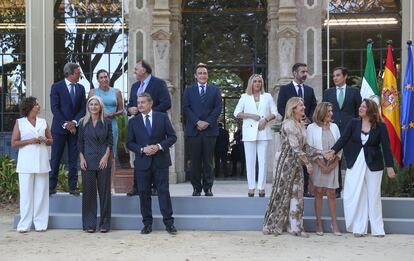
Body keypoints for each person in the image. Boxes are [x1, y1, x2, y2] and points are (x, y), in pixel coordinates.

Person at [325, 99, 396, 237]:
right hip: (355, 163)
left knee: (374, 195)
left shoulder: (380, 126)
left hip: (374, 164)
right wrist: (333, 151)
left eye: (363, 106)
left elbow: (386, 147)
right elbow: (343, 139)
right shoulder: (353, 123)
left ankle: (378, 229)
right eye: (360, 106)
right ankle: (359, 228)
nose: (360, 108)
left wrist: (390, 166)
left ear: (370, 110)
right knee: (357, 195)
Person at [126, 92, 177, 234]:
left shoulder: (162, 117)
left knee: (163, 192)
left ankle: (169, 223)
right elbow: (129, 143)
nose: (140, 105)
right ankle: (147, 224)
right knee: (144, 193)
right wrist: (142, 149)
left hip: (161, 161)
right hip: (143, 163)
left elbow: (172, 137)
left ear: (150, 103)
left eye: (143, 102)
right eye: (138, 102)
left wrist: (159, 146)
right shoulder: (133, 122)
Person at [263, 97, 313, 237]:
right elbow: (296, 148)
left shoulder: (300, 124)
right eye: (300, 106)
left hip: (296, 164)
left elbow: (305, 147)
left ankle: (295, 227)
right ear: (293, 109)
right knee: (280, 194)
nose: (303, 107)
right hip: (285, 163)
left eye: (303, 105)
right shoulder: (288, 124)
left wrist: (323, 153)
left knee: (297, 195)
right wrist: (308, 163)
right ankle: (271, 225)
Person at [127, 60, 171, 197]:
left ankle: (156, 187)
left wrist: (149, 112)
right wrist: (130, 109)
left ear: (144, 70)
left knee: (155, 156)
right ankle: (136, 187)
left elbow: (166, 103)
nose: (134, 71)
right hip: (138, 126)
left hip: (155, 126)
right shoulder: (135, 86)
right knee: (139, 156)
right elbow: (131, 104)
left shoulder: (159, 83)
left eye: (136, 69)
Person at [11, 97, 53, 232]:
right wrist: (30, 141)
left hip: (42, 161)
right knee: (26, 195)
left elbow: (51, 141)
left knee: (41, 194)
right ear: (29, 107)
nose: (39, 106)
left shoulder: (43, 122)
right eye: (36, 104)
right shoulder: (20, 123)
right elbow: (14, 143)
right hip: (25, 163)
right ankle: (24, 225)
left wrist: (45, 140)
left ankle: (40, 224)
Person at [277, 63, 317, 198]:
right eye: (302, 71)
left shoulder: (310, 90)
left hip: (305, 128)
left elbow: (313, 107)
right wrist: (294, 119)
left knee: (304, 153)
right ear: (294, 73)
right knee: (295, 155)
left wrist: (308, 118)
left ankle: (305, 189)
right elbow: (281, 107)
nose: (305, 74)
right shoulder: (284, 89)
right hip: (292, 127)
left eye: (306, 71)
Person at [234, 74, 277, 197]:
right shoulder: (245, 97)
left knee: (262, 161)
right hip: (249, 132)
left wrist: (266, 120)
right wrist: (251, 115)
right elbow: (236, 113)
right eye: (255, 81)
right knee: (250, 161)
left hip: (263, 131)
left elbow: (275, 112)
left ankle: (261, 187)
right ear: (250, 83)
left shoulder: (267, 96)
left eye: (259, 81)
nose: (257, 83)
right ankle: (251, 187)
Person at [183, 63, 222, 197]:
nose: (202, 75)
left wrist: (207, 122)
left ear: (207, 75)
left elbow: (217, 108)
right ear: (195, 76)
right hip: (194, 131)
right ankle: (196, 188)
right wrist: (197, 122)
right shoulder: (189, 90)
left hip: (210, 131)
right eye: (200, 73)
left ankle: (208, 187)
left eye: (204, 73)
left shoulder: (215, 90)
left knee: (208, 161)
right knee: (194, 161)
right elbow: (186, 108)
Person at [323, 67, 362, 198]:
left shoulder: (354, 92)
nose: (335, 78)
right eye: (333, 76)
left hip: (350, 131)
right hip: (333, 130)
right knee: (335, 160)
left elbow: (359, 112)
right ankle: (337, 188)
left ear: (345, 76)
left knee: (351, 159)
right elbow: (324, 111)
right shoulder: (328, 92)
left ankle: (354, 189)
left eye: (338, 75)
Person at [49, 62, 86, 196]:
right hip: (59, 129)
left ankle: (73, 187)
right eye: (77, 73)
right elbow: (55, 108)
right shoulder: (56, 87)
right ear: (69, 74)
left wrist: (74, 123)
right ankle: (51, 186)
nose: (79, 75)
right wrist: (66, 124)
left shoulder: (81, 88)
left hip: (75, 130)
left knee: (73, 158)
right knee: (55, 157)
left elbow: (83, 108)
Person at [78, 96, 113, 233]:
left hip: (103, 161)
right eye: (91, 104)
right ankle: (89, 224)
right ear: (88, 106)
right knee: (88, 194)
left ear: (100, 107)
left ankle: (105, 224)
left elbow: (110, 142)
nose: (93, 107)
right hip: (87, 161)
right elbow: (79, 142)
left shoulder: (107, 122)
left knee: (104, 193)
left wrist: (106, 157)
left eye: (96, 104)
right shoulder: (82, 122)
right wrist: (81, 158)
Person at [306, 102, 342, 236]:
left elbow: (340, 146)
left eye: (331, 111)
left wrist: (333, 165)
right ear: (321, 113)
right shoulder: (311, 128)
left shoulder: (335, 127)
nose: (331, 114)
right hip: (318, 164)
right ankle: (318, 223)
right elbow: (309, 149)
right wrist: (321, 165)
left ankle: (335, 224)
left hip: (333, 164)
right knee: (319, 192)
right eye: (328, 111)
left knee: (332, 193)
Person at [88, 69, 124, 192]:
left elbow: (122, 110)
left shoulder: (117, 92)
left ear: (109, 78)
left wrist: (113, 113)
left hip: (112, 125)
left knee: (111, 155)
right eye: (101, 77)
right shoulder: (93, 92)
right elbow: (88, 109)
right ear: (97, 80)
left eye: (106, 76)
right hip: (96, 125)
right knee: (96, 153)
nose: (104, 79)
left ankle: (111, 185)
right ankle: (98, 185)